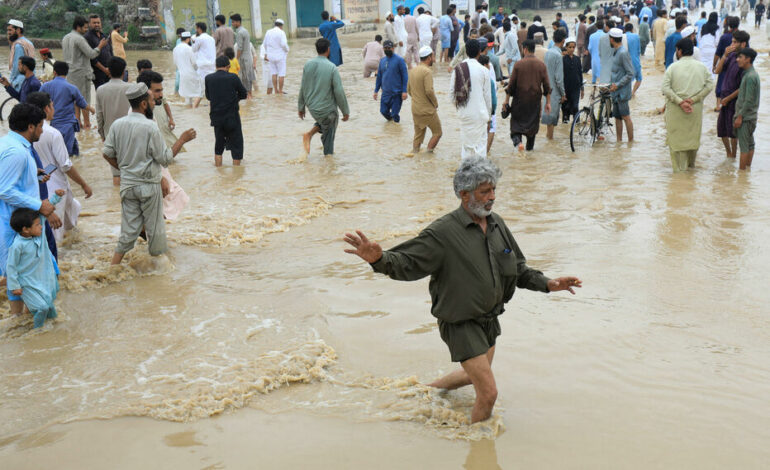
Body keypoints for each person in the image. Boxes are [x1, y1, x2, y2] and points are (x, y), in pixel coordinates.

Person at [343, 157, 581, 424]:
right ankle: (477, 448)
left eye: (493, 190)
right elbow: (407, 264)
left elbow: (517, 268)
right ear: (464, 194)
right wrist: (378, 259)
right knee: (488, 393)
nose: (492, 197)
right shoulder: (442, 233)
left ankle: (426, 391)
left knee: (472, 375)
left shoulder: (496, 224)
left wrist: (549, 284)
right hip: (460, 323)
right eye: (484, 192)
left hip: (489, 320)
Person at [102, 83, 197, 265]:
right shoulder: (150, 127)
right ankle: (160, 274)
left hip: (128, 185)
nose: (155, 103)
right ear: (144, 104)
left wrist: (125, 170)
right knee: (155, 231)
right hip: (148, 186)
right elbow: (166, 158)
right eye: (152, 100)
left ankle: (113, 267)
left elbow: (106, 153)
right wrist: (182, 139)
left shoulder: (117, 125)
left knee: (128, 231)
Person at [0, 103, 62, 318]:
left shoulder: (10, 144)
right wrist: (39, 205)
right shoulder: (16, 152)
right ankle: (18, 321)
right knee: (17, 273)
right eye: (40, 126)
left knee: (25, 272)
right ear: (30, 127)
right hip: (14, 223)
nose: (42, 131)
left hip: (19, 220)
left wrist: (31, 174)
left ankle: (24, 318)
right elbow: (4, 189)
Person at [26, 92, 92, 243]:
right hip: (56, 189)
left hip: (40, 186)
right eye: (52, 105)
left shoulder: (26, 132)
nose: (54, 108)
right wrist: (84, 184)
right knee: (57, 232)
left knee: (70, 218)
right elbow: (65, 165)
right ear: (46, 109)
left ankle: (74, 250)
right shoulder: (53, 134)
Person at [135, 71, 189, 220]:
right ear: (145, 94)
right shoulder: (144, 123)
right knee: (159, 212)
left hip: (152, 175)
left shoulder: (145, 116)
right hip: (152, 176)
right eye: (157, 91)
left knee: (164, 207)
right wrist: (182, 140)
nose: (160, 95)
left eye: (161, 90)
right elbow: (156, 157)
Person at [6, 200, 64, 328]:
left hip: (41, 279)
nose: (41, 227)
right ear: (25, 230)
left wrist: (56, 197)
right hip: (26, 283)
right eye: (37, 225)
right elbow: (11, 267)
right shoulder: (17, 246)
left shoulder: (39, 236)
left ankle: (51, 331)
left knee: (51, 308)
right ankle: (37, 332)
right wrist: (14, 286)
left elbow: (45, 213)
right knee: (42, 308)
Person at [662, 38, 714, 171]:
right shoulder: (701, 67)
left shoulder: (672, 68)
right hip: (694, 109)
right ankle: (690, 173)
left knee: (676, 145)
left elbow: (665, 89)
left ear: (679, 51)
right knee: (692, 141)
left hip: (676, 111)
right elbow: (710, 85)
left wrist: (680, 102)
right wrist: (694, 99)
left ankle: (679, 176)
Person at [298, 38, 350, 158]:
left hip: (312, 108)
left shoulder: (308, 64)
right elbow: (339, 92)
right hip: (326, 111)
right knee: (331, 121)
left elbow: (303, 86)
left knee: (325, 120)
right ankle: (328, 161)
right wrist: (345, 111)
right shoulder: (332, 67)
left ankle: (310, 134)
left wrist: (301, 107)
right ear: (328, 50)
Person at [504, 39, 551, 151]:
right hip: (534, 103)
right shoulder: (541, 65)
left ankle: (518, 143)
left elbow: (511, 86)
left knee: (515, 129)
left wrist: (506, 101)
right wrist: (548, 103)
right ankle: (529, 151)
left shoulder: (518, 64)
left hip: (519, 102)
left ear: (524, 49)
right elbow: (547, 86)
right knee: (531, 131)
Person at [40, 61, 94, 157]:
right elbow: (82, 103)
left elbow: (37, 100)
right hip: (68, 124)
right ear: (67, 73)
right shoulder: (71, 87)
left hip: (54, 123)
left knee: (61, 149)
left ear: (54, 72)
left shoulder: (46, 86)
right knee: (66, 153)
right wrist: (92, 109)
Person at [450, 39, 491, 159]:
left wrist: (460, 108)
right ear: (480, 52)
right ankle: (479, 175)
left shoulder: (458, 69)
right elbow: (487, 97)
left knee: (466, 147)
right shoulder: (484, 70)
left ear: (466, 52)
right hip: (480, 115)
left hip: (464, 115)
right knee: (480, 149)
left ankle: (466, 174)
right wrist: (488, 117)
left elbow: (452, 94)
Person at [62, 15, 107, 123]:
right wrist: (100, 46)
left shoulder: (66, 37)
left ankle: (78, 123)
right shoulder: (79, 39)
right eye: (85, 27)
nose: (87, 30)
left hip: (70, 73)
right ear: (78, 27)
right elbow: (91, 54)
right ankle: (87, 124)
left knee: (75, 99)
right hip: (81, 73)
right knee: (84, 100)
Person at [205, 56, 248, 166]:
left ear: (216, 66)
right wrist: (235, 99)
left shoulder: (208, 78)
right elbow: (244, 94)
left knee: (218, 145)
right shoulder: (233, 78)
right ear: (228, 66)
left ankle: (219, 170)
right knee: (237, 145)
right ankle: (236, 173)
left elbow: (208, 96)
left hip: (216, 118)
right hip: (232, 117)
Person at [95, 57, 131, 184]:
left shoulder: (100, 90)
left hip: (110, 134)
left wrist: (102, 134)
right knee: (132, 169)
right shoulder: (131, 88)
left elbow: (99, 116)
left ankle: (116, 201)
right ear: (124, 72)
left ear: (108, 71)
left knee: (116, 173)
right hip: (131, 133)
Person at [714, 30, 749, 159]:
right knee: (722, 129)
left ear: (743, 44)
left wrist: (728, 98)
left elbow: (742, 87)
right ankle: (729, 154)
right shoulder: (732, 56)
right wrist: (724, 55)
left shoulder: (744, 61)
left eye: (735, 42)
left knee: (733, 132)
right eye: (732, 41)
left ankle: (733, 155)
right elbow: (717, 71)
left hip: (734, 100)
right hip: (725, 99)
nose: (732, 44)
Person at [408, 47, 442, 153]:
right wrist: (435, 103)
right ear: (429, 57)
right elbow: (429, 91)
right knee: (437, 133)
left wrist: (418, 98)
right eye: (433, 56)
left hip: (415, 109)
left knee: (418, 135)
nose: (434, 58)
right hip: (427, 110)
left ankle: (415, 155)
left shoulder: (412, 70)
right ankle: (428, 154)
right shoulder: (427, 71)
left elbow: (408, 90)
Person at [733, 47, 759, 170]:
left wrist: (740, 116)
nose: (737, 60)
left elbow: (748, 100)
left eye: (740, 57)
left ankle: (742, 176)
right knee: (750, 144)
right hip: (751, 116)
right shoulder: (752, 74)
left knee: (744, 147)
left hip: (745, 117)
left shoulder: (750, 77)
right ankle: (747, 172)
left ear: (748, 59)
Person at [608, 28, 635, 142]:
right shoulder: (616, 51)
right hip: (615, 91)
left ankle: (630, 141)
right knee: (617, 117)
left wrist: (618, 85)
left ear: (612, 39)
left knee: (625, 116)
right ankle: (619, 141)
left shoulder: (623, 53)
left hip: (622, 92)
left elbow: (630, 73)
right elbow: (616, 72)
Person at [374, 40, 408, 122]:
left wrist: (404, 91)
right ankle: (391, 127)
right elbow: (379, 77)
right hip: (385, 93)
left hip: (397, 93)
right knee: (383, 111)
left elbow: (405, 76)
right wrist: (376, 91)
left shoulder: (400, 60)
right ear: (383, 49)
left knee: (394, 114)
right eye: (385, 48)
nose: (387, 49)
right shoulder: (382, 61)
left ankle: (396, 129)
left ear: (393, 48)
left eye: (389, 48)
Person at [542, 29, 567, 139]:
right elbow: (559, 78)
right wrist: (563, 93)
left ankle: (549, 139)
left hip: (547, 89)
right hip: (555, 91)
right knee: (552, 120)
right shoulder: (558, 55)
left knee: (548, 119)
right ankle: (550, 140)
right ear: (563, 41)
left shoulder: (548, 53)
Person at [713, 16, 740, 109]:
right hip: (737, 66)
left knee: (720, 84)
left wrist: (714, 64)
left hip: (724, 65)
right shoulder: (741, 37)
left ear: (729, 25)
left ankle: (718, 106)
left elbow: (717, 53)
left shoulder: (724, 37)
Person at [84, 14, 113, 91]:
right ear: (89, 24)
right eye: (94, 23)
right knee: (102, 94)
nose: (97, 24)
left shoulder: (104, 36)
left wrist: (112, 68)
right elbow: (92, 58)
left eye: (98, 22)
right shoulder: (87, 37)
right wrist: (105, 70)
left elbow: (110, 52)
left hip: (109, 71)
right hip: (98, 72)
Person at [173, 31, 201, 107]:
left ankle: (188, 112)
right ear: (188, 39)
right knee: (199, 93)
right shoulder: (189, 49)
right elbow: (194, 63)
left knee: (187, 97)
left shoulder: (175, 49)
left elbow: (175, 63)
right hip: (191, 74)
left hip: (181, 74)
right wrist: (197, 71)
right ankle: (193, 111)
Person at [6, 19, 35, 91]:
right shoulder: (28, 42)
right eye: (7, 30)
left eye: (10, 30)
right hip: (30, 78)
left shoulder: (18, 45)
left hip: (20, 82)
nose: (8, 33)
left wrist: (11, 81)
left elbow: (17, 66)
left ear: (18, 30)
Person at [231, 14, 255, 98]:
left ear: (238, 22)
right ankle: (250, 96)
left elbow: (239, 48)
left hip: (244, 59)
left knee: (245, 79)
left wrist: (236, 59)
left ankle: (249, 97)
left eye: (233, 22)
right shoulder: (244, 30)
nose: (232, 24)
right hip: (248, 58)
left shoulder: (240, 32)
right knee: (248, 78)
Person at [263, 19, 290, 94]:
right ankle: (280, 91)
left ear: (275, 24)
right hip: (280, 56)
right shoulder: (281, 32)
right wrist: (287, 49)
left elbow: (264, 44)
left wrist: (267, 53)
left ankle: (275, 90)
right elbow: (284, 44)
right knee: (281, 73)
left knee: (274, 73)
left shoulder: (268, 32)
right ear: (281, 26)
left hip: (271, 56)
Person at [192, 22, 216, 104]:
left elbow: (193, 49)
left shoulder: (199, 38)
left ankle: (194, 109)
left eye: (196, 28)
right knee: (212, 88)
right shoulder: (211, 38)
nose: (196, 30)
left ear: (199, 28)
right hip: (212, 66)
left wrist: (193, 41)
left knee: (201, 91)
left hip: (203, 67)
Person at [562, 38, 584, 123]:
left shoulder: (577, 59)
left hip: (576, 87)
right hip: (566, 88)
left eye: (573, 47)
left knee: (575, 106)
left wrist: (582, 88)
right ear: (566, 47)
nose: (572, 49)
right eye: (570, 47)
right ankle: (565, 127)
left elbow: (580, 73)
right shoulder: (563, 59)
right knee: (565, 108)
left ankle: (576, 126)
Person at [624, 23, 643, 96]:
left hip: (626, 61)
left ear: (624, 29)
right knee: (639, 78)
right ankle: (633, 92)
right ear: (632, 29)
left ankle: (627, 93)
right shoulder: (636, 36)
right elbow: (639, 51)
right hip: (636, 61)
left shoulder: (623, 37)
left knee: (626, 79)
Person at [699, 13, 720, 79]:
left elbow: (699, 38)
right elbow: (717, 41)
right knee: (711, 68)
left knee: (702, 66)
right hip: (712, 50)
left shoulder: (703, 26)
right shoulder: (717, 28)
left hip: (703, 49)